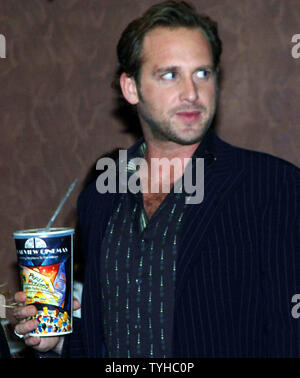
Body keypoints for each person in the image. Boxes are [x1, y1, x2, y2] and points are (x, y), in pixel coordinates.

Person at [13, 0, 299, 358]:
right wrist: (59, 341)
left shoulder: (272, 187)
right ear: (131, 88)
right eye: (169, 75)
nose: (192, 92)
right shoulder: (101, 196)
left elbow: (292, 334)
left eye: (203, 73)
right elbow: (107, 336)